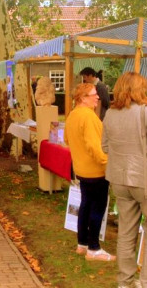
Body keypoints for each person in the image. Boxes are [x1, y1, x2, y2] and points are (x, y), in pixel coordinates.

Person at [102, 72, 147, 286]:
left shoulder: (110, 114)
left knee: (126, 233)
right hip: (142, 178)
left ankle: (124, 282)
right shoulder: (144, 112)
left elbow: (104, 147)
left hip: (119, 179)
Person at [64, 83, 114, 262]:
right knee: (97, 207)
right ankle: (94, 248)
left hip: (81, 169)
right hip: (96, 171)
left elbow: (67, 139)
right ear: (83, 97)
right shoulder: (88, 117)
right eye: (94, 94)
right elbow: (95, 147)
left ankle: (82, 244)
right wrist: (108, 162)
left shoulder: (72, 115)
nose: (98, 97)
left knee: (85, 205)